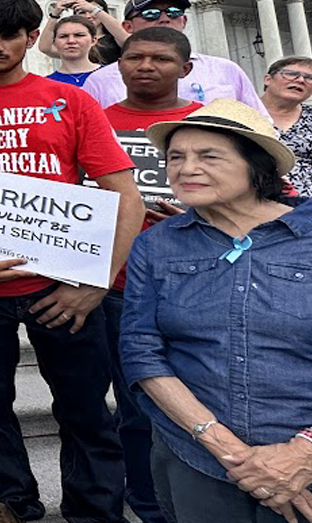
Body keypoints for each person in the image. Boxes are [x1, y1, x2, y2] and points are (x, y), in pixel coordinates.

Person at [0, 0, 146, 523]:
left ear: (34, 39)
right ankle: (9, 497)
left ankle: (95, 510)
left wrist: (97, 281)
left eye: (10, 36)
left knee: (85, 409)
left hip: (64, 283)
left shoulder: (72, 101)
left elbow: (126, 195)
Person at [124, 100, 312, 523]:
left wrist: (303, 451)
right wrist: (226, 447)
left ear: (256, 166)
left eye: (208, 156)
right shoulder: (157, 245)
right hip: (197, 457)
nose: (185, 168)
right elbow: (141, 350)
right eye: (175, 157)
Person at [98, 26, 204, 523]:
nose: (144, 65)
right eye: (133, 56)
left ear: (184, 70)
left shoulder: (212, 124)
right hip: (118, 285)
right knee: (135, 405)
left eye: (159, 59)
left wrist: (193, 213)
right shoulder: (94, 118)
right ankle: (146, 501)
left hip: (198, 284)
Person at [81, 0, 269, 115]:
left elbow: (260, 123)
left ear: (184, 21)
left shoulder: (226, 70)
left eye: (174, 12)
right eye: (151, 14)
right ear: (127, 27)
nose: (164, 19)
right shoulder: (101, 80)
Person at [260, 56, 312, 196]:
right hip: (258, 199)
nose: (301, 80)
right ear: (268, 79)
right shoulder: (243, 112)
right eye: (291, 74)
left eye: (309, 78)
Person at [39, 0, 127, 65]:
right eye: (82, 12)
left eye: (92, 12)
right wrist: (55, 14)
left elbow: (126, 38)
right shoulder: (73, 42)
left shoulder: (114, 38)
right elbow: (45, 48)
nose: (88, 16)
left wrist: (94, 9)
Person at [45, 14, 100, 87]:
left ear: (93, 40)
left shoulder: (112, 75)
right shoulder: (46, 84)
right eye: (63, 36)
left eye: (79, 35)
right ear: (54, 42)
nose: (71, 41)